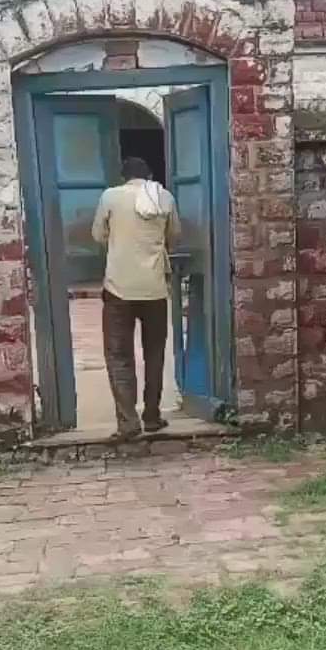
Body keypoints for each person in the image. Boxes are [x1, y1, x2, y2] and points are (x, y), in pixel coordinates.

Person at [91, 157, 182, 441]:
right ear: (150, 175)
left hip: (118, 288)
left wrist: (119, 241)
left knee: (119, 356)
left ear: (123, 177)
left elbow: (98, 234)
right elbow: (174, 236)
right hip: (154, 288)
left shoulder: (110, 197)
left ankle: (128, 423)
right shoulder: (164, 197)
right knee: (154, 353)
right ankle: (152, 416)